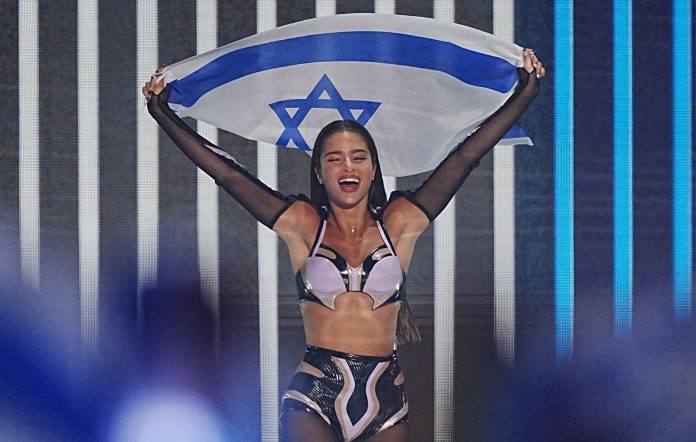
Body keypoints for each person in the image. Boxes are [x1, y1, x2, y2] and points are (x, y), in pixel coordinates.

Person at [143, 49, 544, 442]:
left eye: (358, 157)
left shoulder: (400, 223)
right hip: (314, 394)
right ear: (319, 172)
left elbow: (465, 157)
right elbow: (230, 175)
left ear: (373, 169)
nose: (348, 166)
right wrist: (162, 113)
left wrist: (525, 93)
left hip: (386, 398)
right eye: (334, 159)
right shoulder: (303, 225)